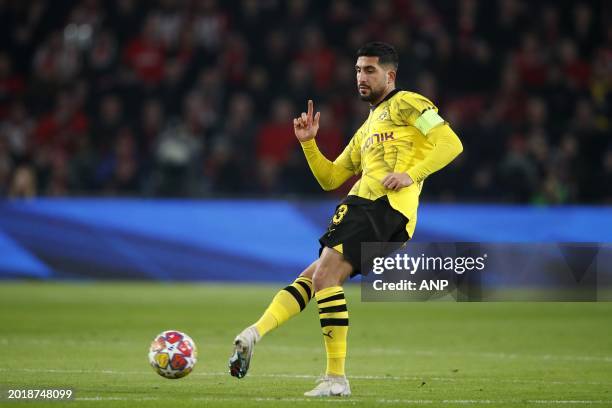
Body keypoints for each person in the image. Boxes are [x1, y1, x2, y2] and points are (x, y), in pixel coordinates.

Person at [228, 41, 463, 397]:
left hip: (381, 207)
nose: (361, 77)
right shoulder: (367, 128)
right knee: (314, 277)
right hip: (367, 210)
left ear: (390, 75)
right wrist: (309, 144)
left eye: (370, 70)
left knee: (325, 277)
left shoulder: (408, 103)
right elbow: (331, 178)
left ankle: (335, 379)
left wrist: (411, 175)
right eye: (357, 70)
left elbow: (450, 143)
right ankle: (253, 334)